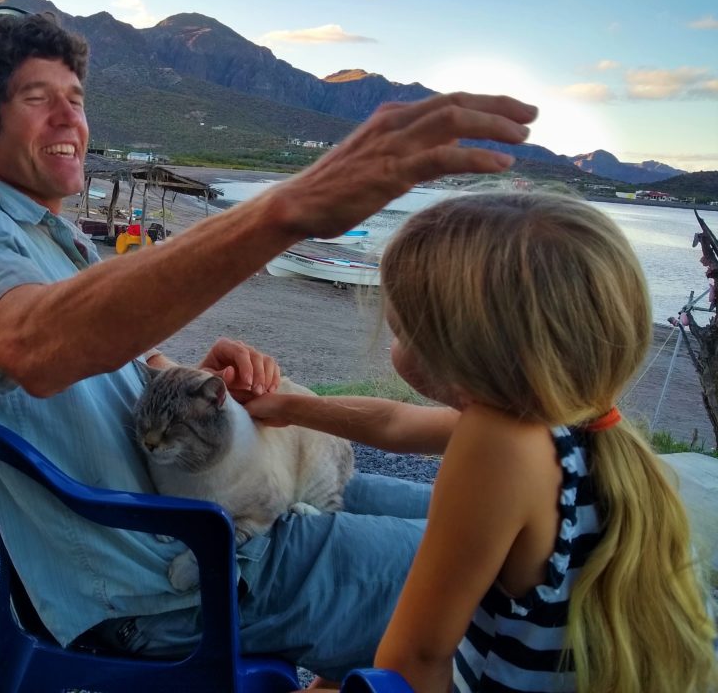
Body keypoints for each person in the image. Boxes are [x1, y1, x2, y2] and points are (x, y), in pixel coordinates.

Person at [0, 5, 537, 681]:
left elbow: (93, 370)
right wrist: (285, 210)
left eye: (76, 100)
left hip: (224, 512)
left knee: (510, 520)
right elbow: (36, 347)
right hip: (188, 576)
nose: (70, 121)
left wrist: (195, 390)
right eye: (37, 100)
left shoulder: (53, 241)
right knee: (515, 569)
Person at [246, 191, 718, 692]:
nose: (394, 343)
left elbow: (417, 656)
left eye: (401, 331)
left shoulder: (499, 446)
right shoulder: (571, 423)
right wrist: (291, 407)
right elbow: (396, 424)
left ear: (460, 350)